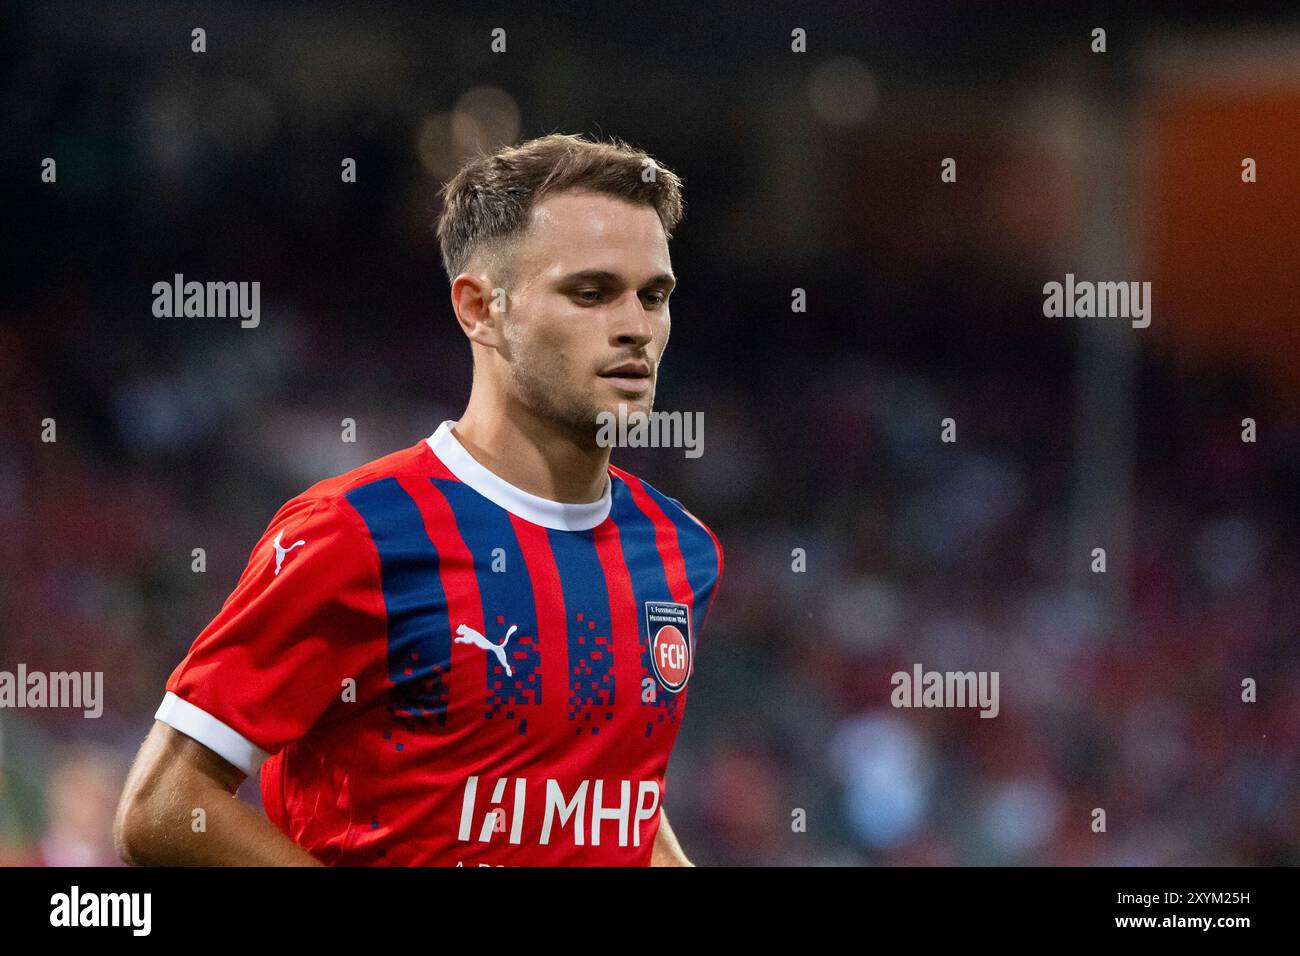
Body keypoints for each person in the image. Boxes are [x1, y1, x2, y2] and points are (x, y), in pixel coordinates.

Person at [115, 133, 723, 866]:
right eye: (590, 293)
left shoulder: (680, 549)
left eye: (653, 296)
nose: (636, 327)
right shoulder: (356, 533)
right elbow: (164, 807)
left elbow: (614, 799)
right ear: (480, 309)